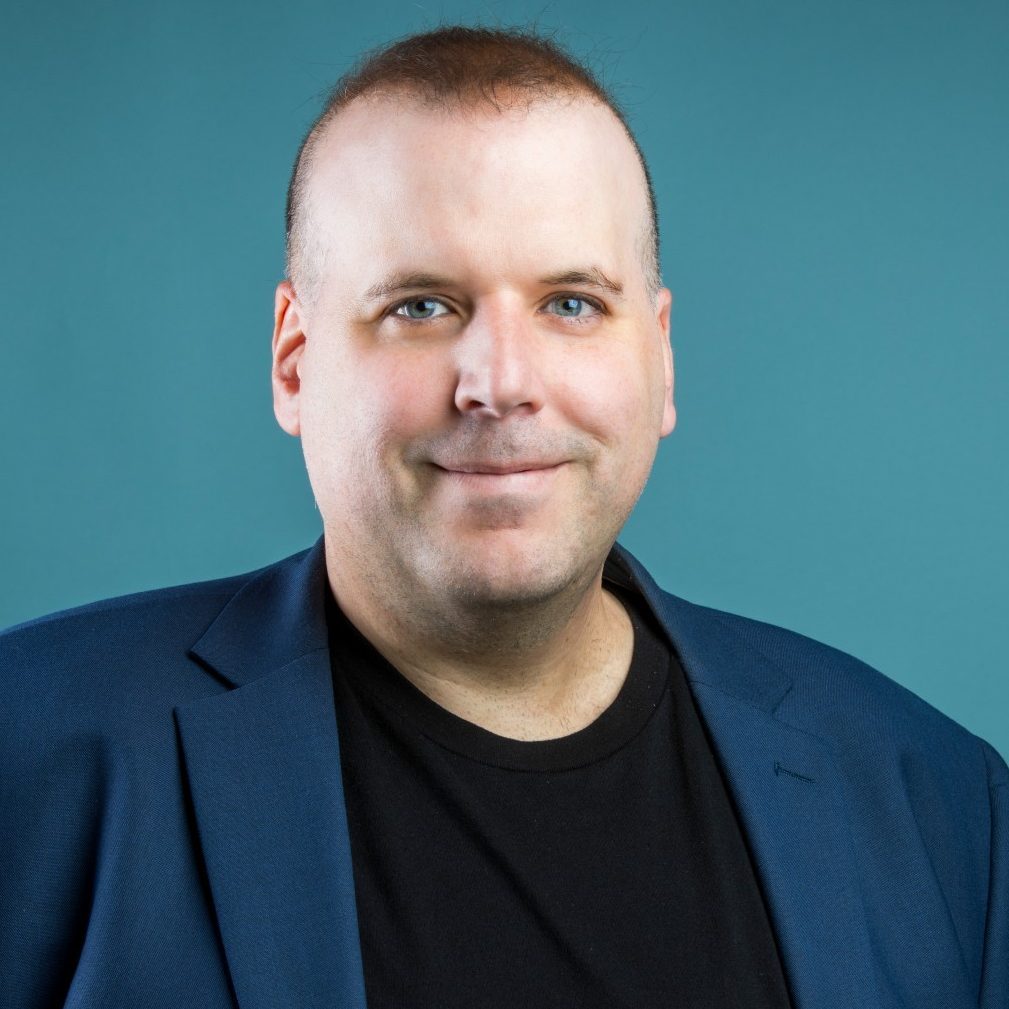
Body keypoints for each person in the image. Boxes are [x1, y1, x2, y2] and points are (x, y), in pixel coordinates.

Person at [1, 25, 1005, 1009]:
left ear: (658, 358)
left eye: (570, 304)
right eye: (422, 306)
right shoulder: (31, 755)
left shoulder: (938, 802)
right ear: (294, 362)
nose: (502, 382)